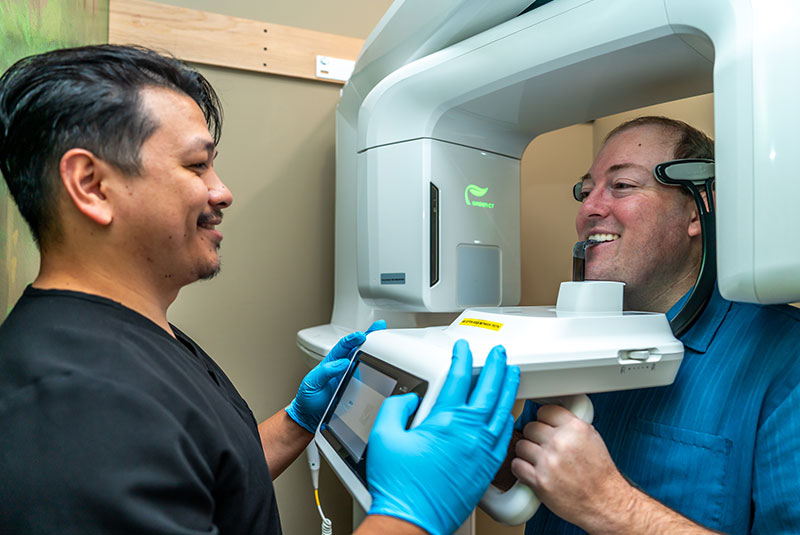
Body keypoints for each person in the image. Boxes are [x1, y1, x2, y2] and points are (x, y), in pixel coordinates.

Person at [0, 44, 520, 535]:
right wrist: (412, 513)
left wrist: (297, 423)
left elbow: (203, 484)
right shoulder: (76, 404)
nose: (222, 191)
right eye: (197, 165)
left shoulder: (127, 334)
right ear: (91, 185)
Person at [510, 117, 800, 534]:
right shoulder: (571, 341)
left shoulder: (785, 361)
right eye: (586, 191)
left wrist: (610, 503)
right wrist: (469, 443)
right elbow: (526, 481)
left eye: (622, 185)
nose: (589, 208)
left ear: (698, 209)